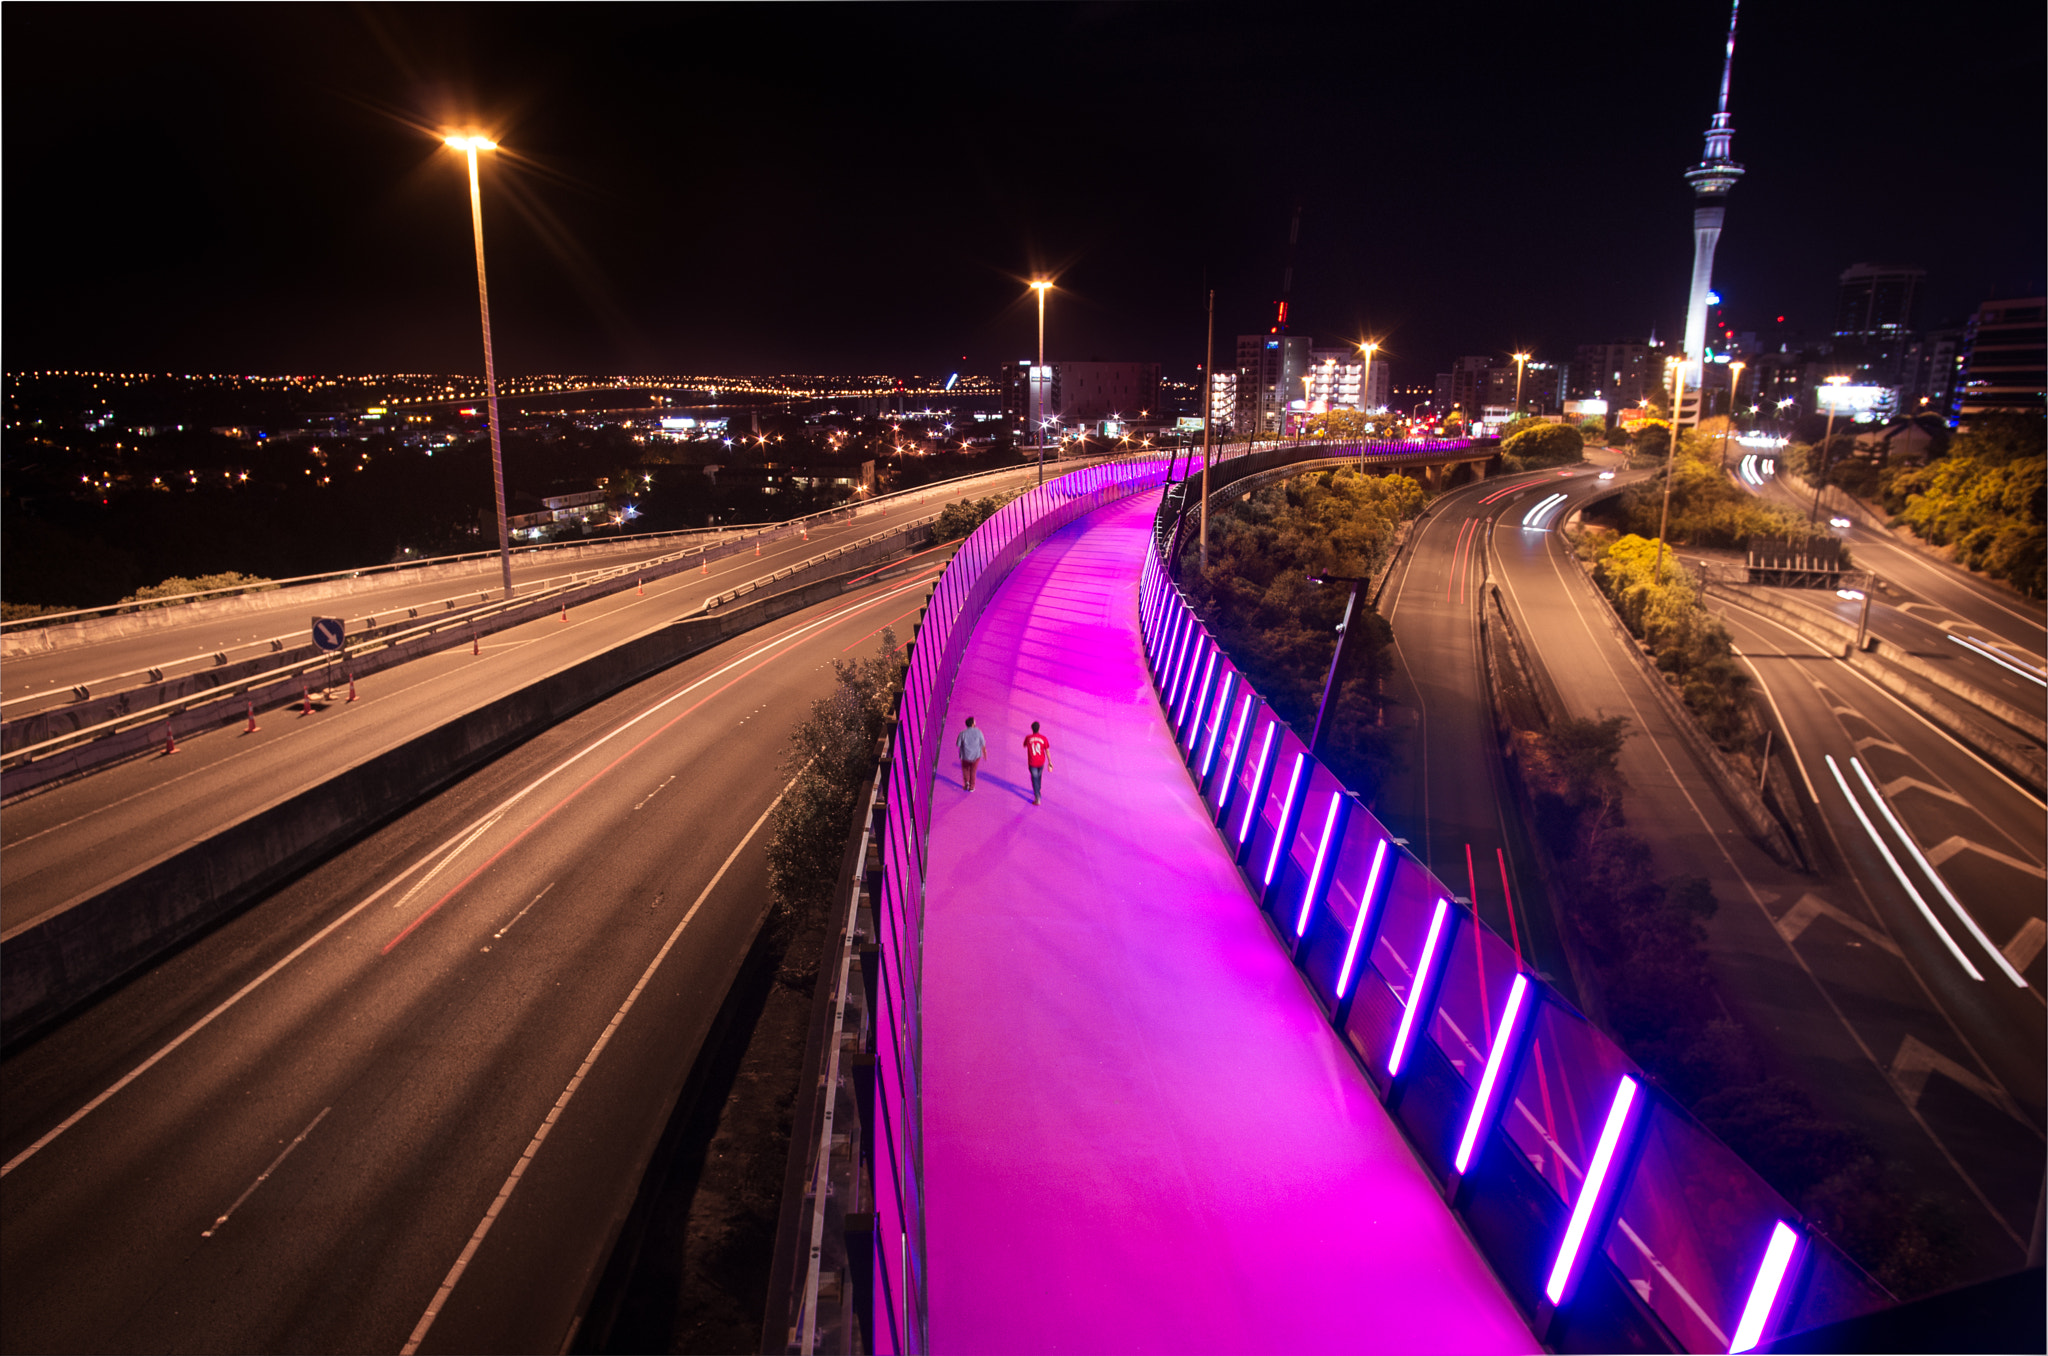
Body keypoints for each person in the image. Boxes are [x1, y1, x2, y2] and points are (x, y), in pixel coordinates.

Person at [1023, 721, 1052, 805]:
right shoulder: (1043, 738)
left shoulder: (1028, 738)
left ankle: (1037, 798)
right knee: (1039, 777)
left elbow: (1024, 745)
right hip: (1041, 762)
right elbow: (1047, 750)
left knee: (1034, 779)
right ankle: (1038, 790)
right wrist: (1050, 761)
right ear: (1039, 728)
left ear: (1032, 729)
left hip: (1032, 762)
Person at [956, 716, 986, 791]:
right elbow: (983, 743)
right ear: (973, 724)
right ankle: (972, 787)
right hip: (976, 756)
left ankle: (966, 783)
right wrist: (985, 753)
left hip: (965, 756)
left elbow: (958, 744)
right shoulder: (978, 732)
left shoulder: (962, 733)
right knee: (973, 771)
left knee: (965, 770)